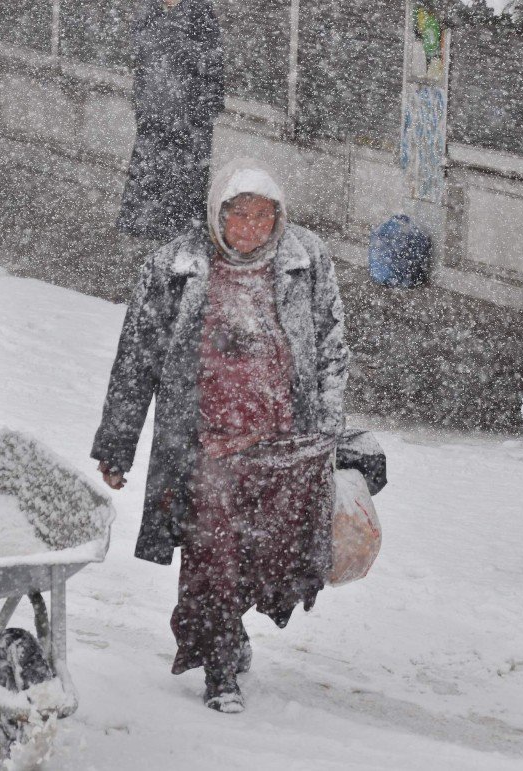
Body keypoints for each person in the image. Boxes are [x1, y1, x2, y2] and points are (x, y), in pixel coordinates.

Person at [93, 157, 349, 713]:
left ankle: (231, 629)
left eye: (264, 216)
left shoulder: (306, 259)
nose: (253, 228)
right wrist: (117, 447)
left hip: (283, 444)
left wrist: (328, 427)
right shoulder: (176, 265)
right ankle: (219, 665)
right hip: (205, 444)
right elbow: (137, 361)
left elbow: (331, 345)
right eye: (240, 215)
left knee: (269, 554)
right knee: (214, 555)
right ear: (217, 215)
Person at [116, 0, 224, 244]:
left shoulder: (199, 11)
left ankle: (180, 235)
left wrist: (198, 113)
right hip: (154, 113)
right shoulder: (150, 10)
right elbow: (138, 52)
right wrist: (142, 105)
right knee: (148, 174)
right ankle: (144, 230)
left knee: (183, 179)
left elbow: (212, 62)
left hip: (188, 118)